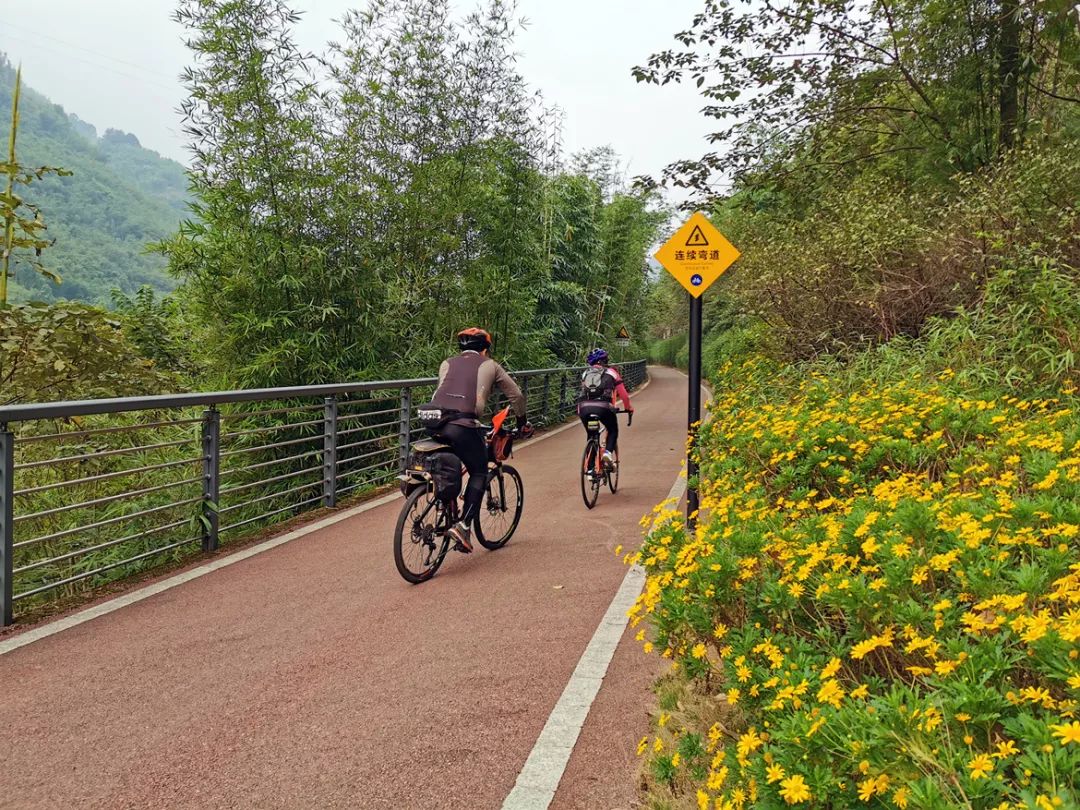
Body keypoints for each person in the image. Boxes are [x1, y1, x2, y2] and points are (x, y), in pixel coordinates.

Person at [427, 327, 530, 553]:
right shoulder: (490, 365)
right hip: (463, 424)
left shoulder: (446, 363)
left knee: (447, 460)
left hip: (434, 422)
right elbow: (516, 395)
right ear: (485, 349)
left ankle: (445, 507)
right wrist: (522, 422)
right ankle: (463, 526)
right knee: (480, 470)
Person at [577, 347, 633, 468]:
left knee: (591, 435)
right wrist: (628, 408)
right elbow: (624, 395)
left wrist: (580, 410)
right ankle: (607, 453)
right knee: (612, 429)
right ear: (606, 360)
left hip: (584, 408)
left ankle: (590, 469)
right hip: (603, 407)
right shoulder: (612, 372)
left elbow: (582, 393)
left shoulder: (585, 373)